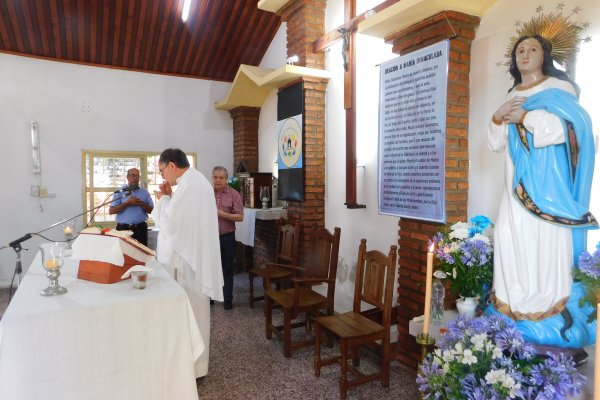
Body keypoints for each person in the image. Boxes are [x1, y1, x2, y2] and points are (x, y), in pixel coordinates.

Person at [487, 35, 597, 346]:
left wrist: (525, 116)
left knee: (544, 244)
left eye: (532, 48)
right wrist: (498, 115)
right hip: (514, 187)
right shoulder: (511, 95)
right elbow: (496, 143)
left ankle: (545, 308)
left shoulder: (558, 89)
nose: (525, 53)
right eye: (520, 49)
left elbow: (570, 130)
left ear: (544, 55)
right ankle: (513, 307)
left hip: (547, 188)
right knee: (508, 237)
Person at [151, 148, 224, 377]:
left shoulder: (191, 184)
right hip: (191, 258)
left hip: (188, 265)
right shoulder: (191, 182)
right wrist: (169, 198)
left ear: (172, 165)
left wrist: (162, 200)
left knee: (190, 314)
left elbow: (172, 224)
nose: (163, 176)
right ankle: (190, 364)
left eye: (162, 170)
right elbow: (183, 217)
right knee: (192, 314)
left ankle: (192, 367)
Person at [212, 166, 244, 310]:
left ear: (226, 179)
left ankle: (227, 300)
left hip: (227, 237)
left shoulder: (234, 194)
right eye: (215, 177)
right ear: (212, 178)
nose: (218, 180)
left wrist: (221, 214)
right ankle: (210, 298)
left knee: (227, 269)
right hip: (210, 238)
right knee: (210, 268)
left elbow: (240, 216)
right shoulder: (206, 194)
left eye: (221, 178)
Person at [108, 168, 154, 246]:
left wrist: (141, 203)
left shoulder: (145, 193)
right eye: (133, 176)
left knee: (141, 254)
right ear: (127, 177)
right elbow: (111, 211)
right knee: (122, 254)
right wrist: (126, 203)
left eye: (137, 176)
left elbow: (152, 211)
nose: (135, 178)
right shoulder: (120, 192)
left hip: (140, 229)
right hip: (123, 229)